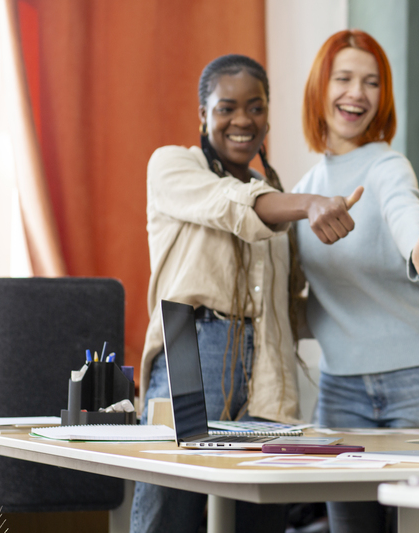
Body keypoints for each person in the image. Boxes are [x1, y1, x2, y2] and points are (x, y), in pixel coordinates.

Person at [130, 54, 361, 533]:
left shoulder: (273, 193)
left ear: (268, 114)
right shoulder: (173, 166)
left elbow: (288, 299)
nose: (242, 121)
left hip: (270, 368)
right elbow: (227, 205)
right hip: (193, 348)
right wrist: (310, 203)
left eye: (255, 108)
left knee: (258, 513)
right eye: (226, 108)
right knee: (171, 514)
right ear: (203, 114)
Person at [292, 30, 419, 532]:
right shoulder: (303, 192)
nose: (358, 93)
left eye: (372, 82)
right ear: (319, 88)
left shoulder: (387, 165)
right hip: (340, 389)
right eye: (344, 78)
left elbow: (403, 210)